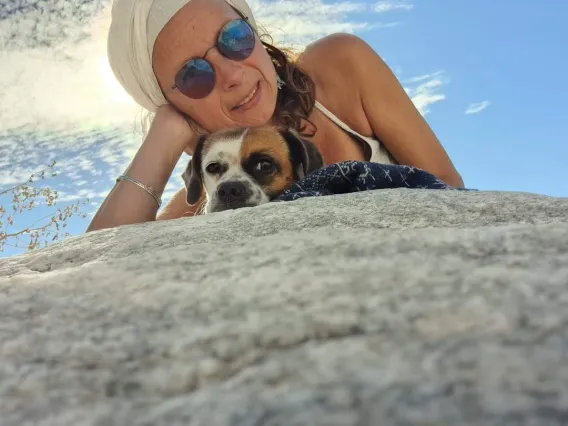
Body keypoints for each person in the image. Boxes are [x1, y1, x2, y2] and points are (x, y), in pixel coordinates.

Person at [87, 0, 463, 232]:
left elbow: (447, 186)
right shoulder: (213, 191)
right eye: (193, 75)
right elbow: (104, 261)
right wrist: (165, 137)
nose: (233, 76)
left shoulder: (340, 66)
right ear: (174, 102)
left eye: (234, 38)